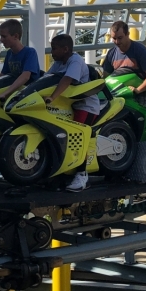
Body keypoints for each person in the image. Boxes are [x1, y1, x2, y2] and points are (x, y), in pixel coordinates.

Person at [47, 33, 103, 191]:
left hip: (85, 106)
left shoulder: (75, 61)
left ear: (65, 49)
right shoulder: (59, 62)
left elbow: (67, 80)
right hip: (69, 106)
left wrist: (52, 97)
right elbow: (48, 77)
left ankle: (82, 174)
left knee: (77, 138)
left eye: (54, 49)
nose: (52, 52)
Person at [102, 20, 146, 95]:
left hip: (142, 94)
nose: (117, 42)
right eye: (114, 38)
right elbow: (106, 77)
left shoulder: (140, 51)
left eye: (120, 38)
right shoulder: (111, 54)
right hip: (118, 93)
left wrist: (138, 90)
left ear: (128, 34)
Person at [0, 19, 39, 102]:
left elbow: (26, 76)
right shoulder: (9, 54)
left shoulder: (30, 52)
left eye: (4, 36)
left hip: (29, 95)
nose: (1, 40)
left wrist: (5, 93)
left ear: (15, 36)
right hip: (16, 95)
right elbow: (3, 75)